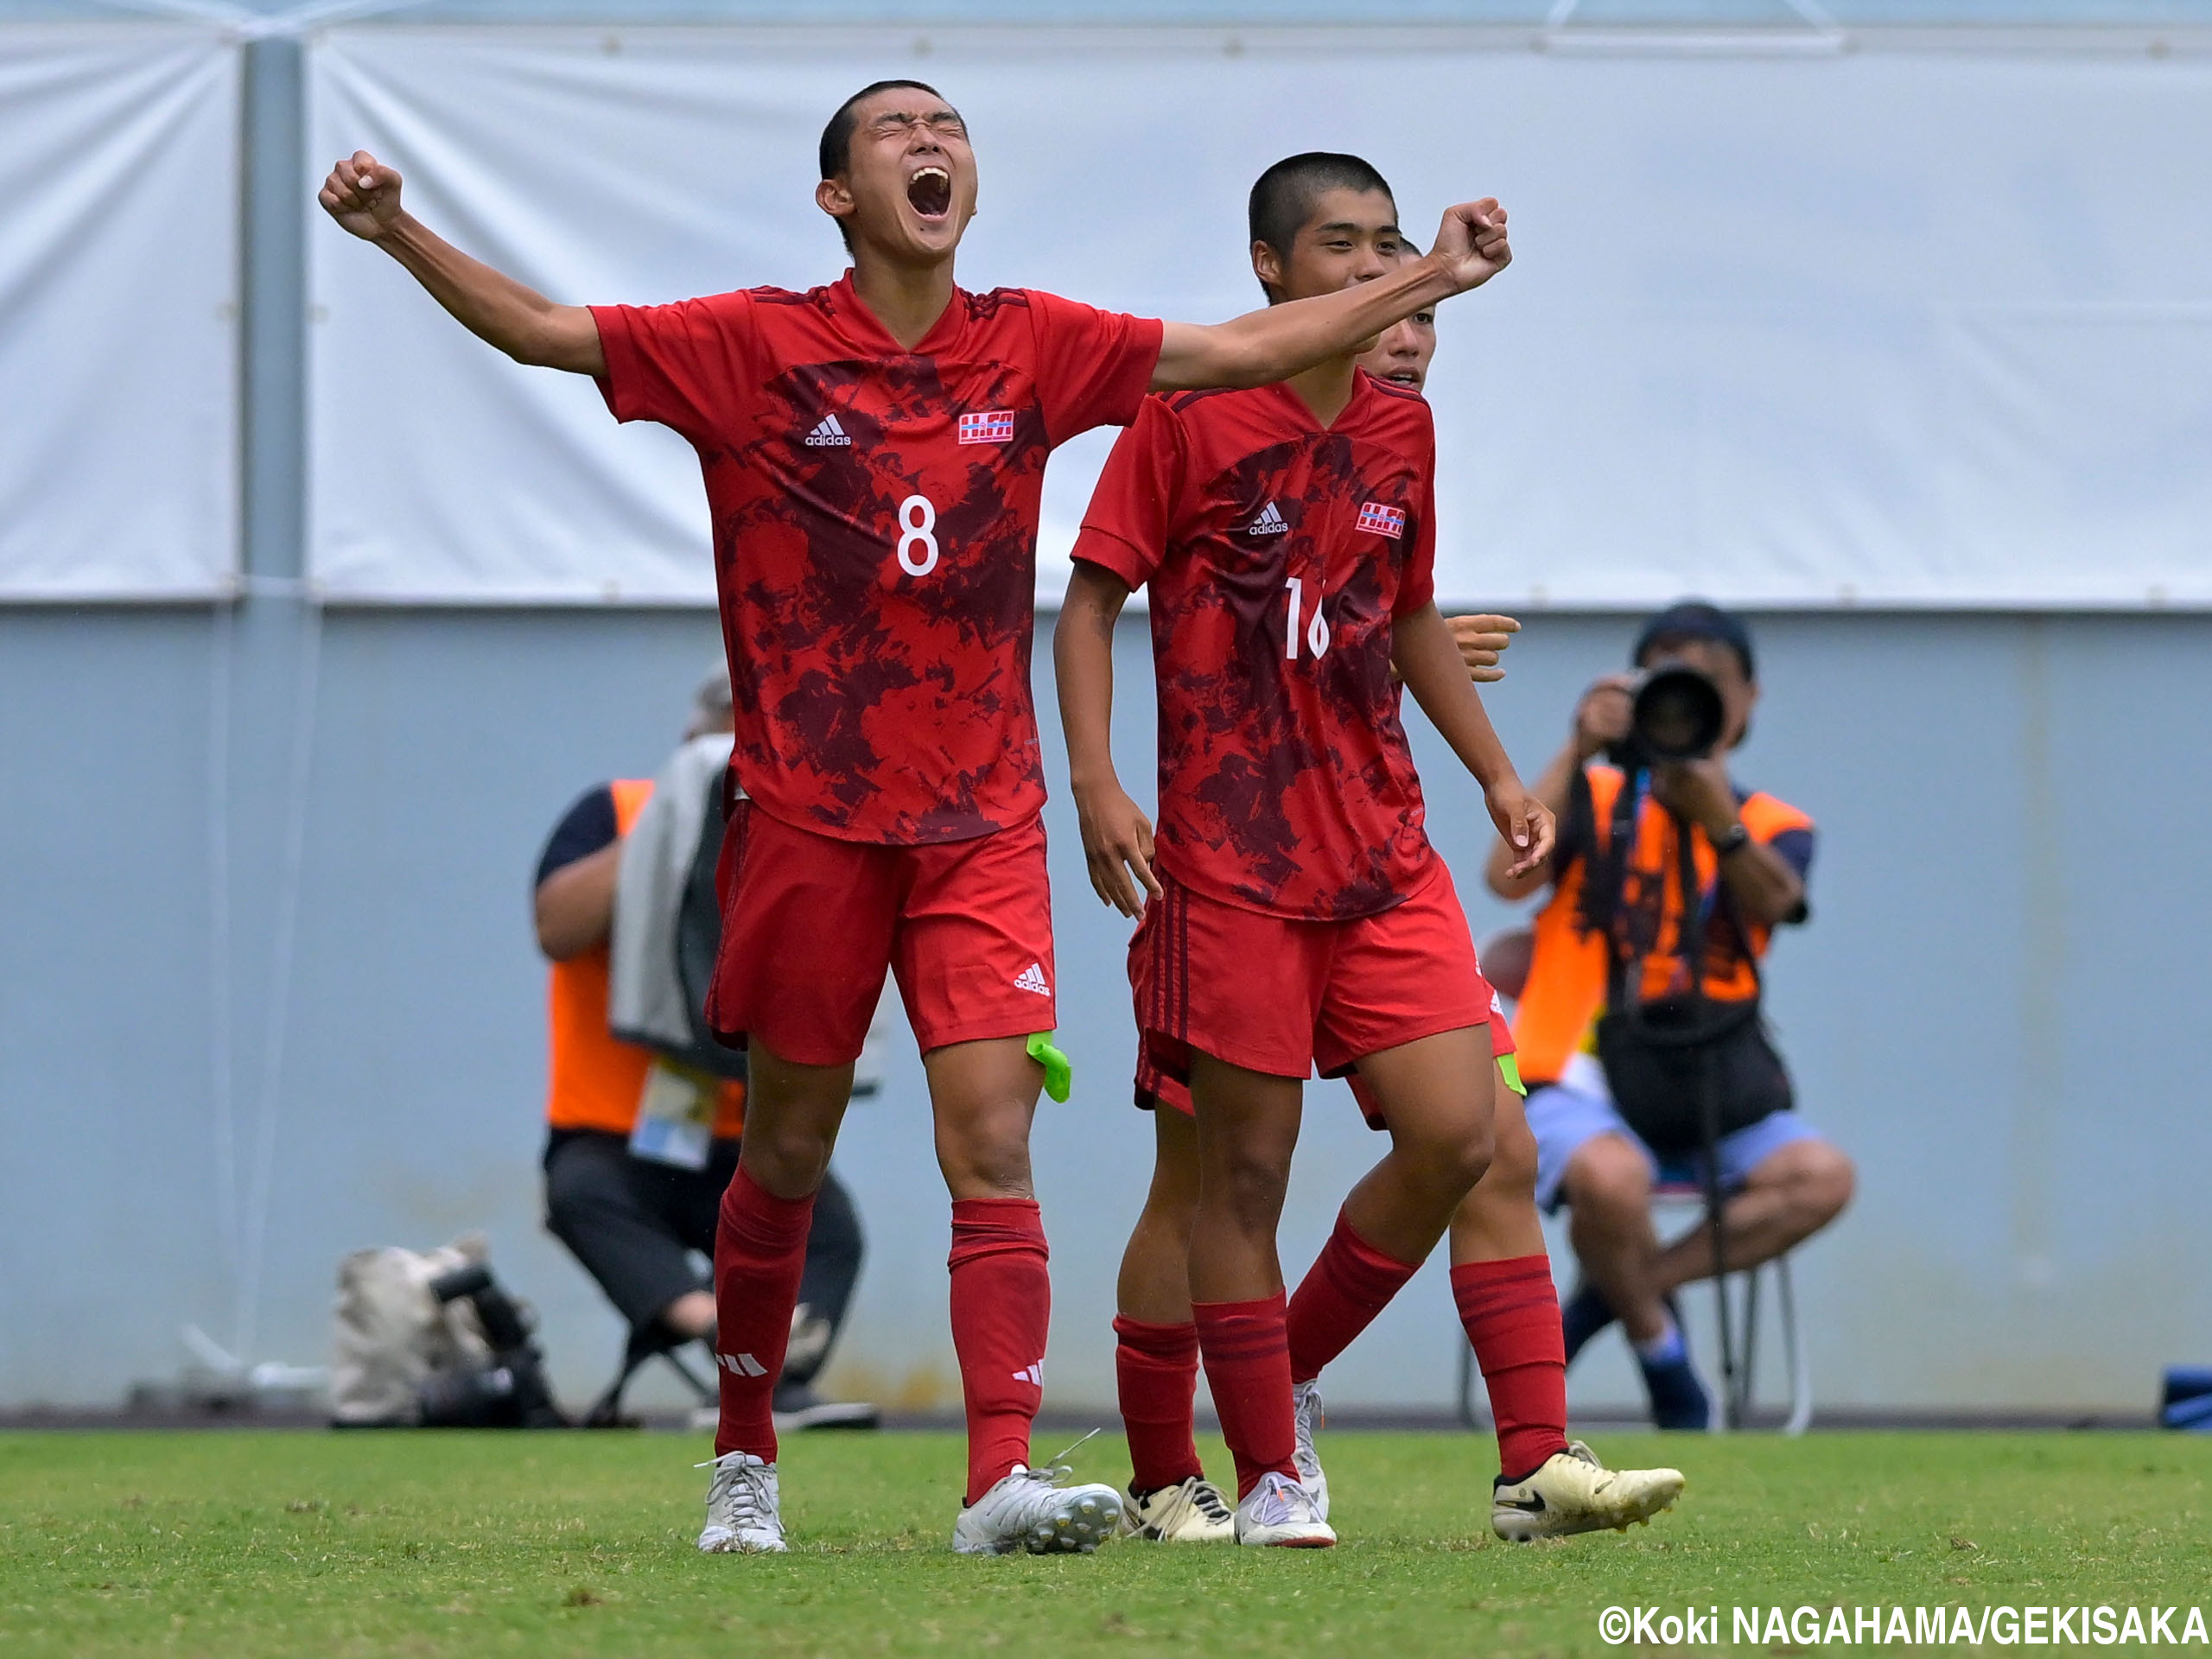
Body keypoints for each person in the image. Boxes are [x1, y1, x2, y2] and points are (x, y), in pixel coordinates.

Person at [319, 79, 1516, 1556]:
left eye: (947, 128)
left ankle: (997, 1481)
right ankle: (744, 1456)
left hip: (981, 823)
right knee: (786, 1153)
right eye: (894, 130)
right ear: (839, 195)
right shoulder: (752, 343)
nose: (930, 144)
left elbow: (1248, 345)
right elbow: (548, 334)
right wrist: (396, 236)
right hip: (812, 820)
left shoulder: (1032, 343)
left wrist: (1432, 276)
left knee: (992, 1140)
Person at [1073, 205, 1681, 1548]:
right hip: (1223, 869)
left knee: (1480, 1138)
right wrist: (1101, 781)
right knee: (1212, 1178)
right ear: (1274, 268)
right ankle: (1180, 1469)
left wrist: (1502, 775)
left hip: (1379, 857)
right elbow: (1105, 598)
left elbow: (1388, 608)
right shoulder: (1187, 409)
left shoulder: (1399, 434)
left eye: (1415, 297)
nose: (1400, 318)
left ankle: (1494, 1450)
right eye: (1362, 268)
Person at [1487, 602, 1855, 1428]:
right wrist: (1575, 750)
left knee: (1824, 1177)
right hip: (1577, 1065)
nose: (1686, 707)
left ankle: (1619, 1292)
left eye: (1708, 687)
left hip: (1704, 1072)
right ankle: (1661, 1352)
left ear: (1747, 701)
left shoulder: (1772, 824)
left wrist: (1711, 815)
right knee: (1612, 1182)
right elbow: (1505, 878)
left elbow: (1781, 902)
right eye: (1666, 685)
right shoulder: (1596, 791)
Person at [534, 672, 871, 1433]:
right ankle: (718, 1327)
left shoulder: (799, 830)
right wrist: (664, 833)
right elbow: (556, 929)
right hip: (615, 1129)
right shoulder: (614, 810)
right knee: (580, 1193)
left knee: (831, 1225)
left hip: (733, 1130)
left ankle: (776, 1381)